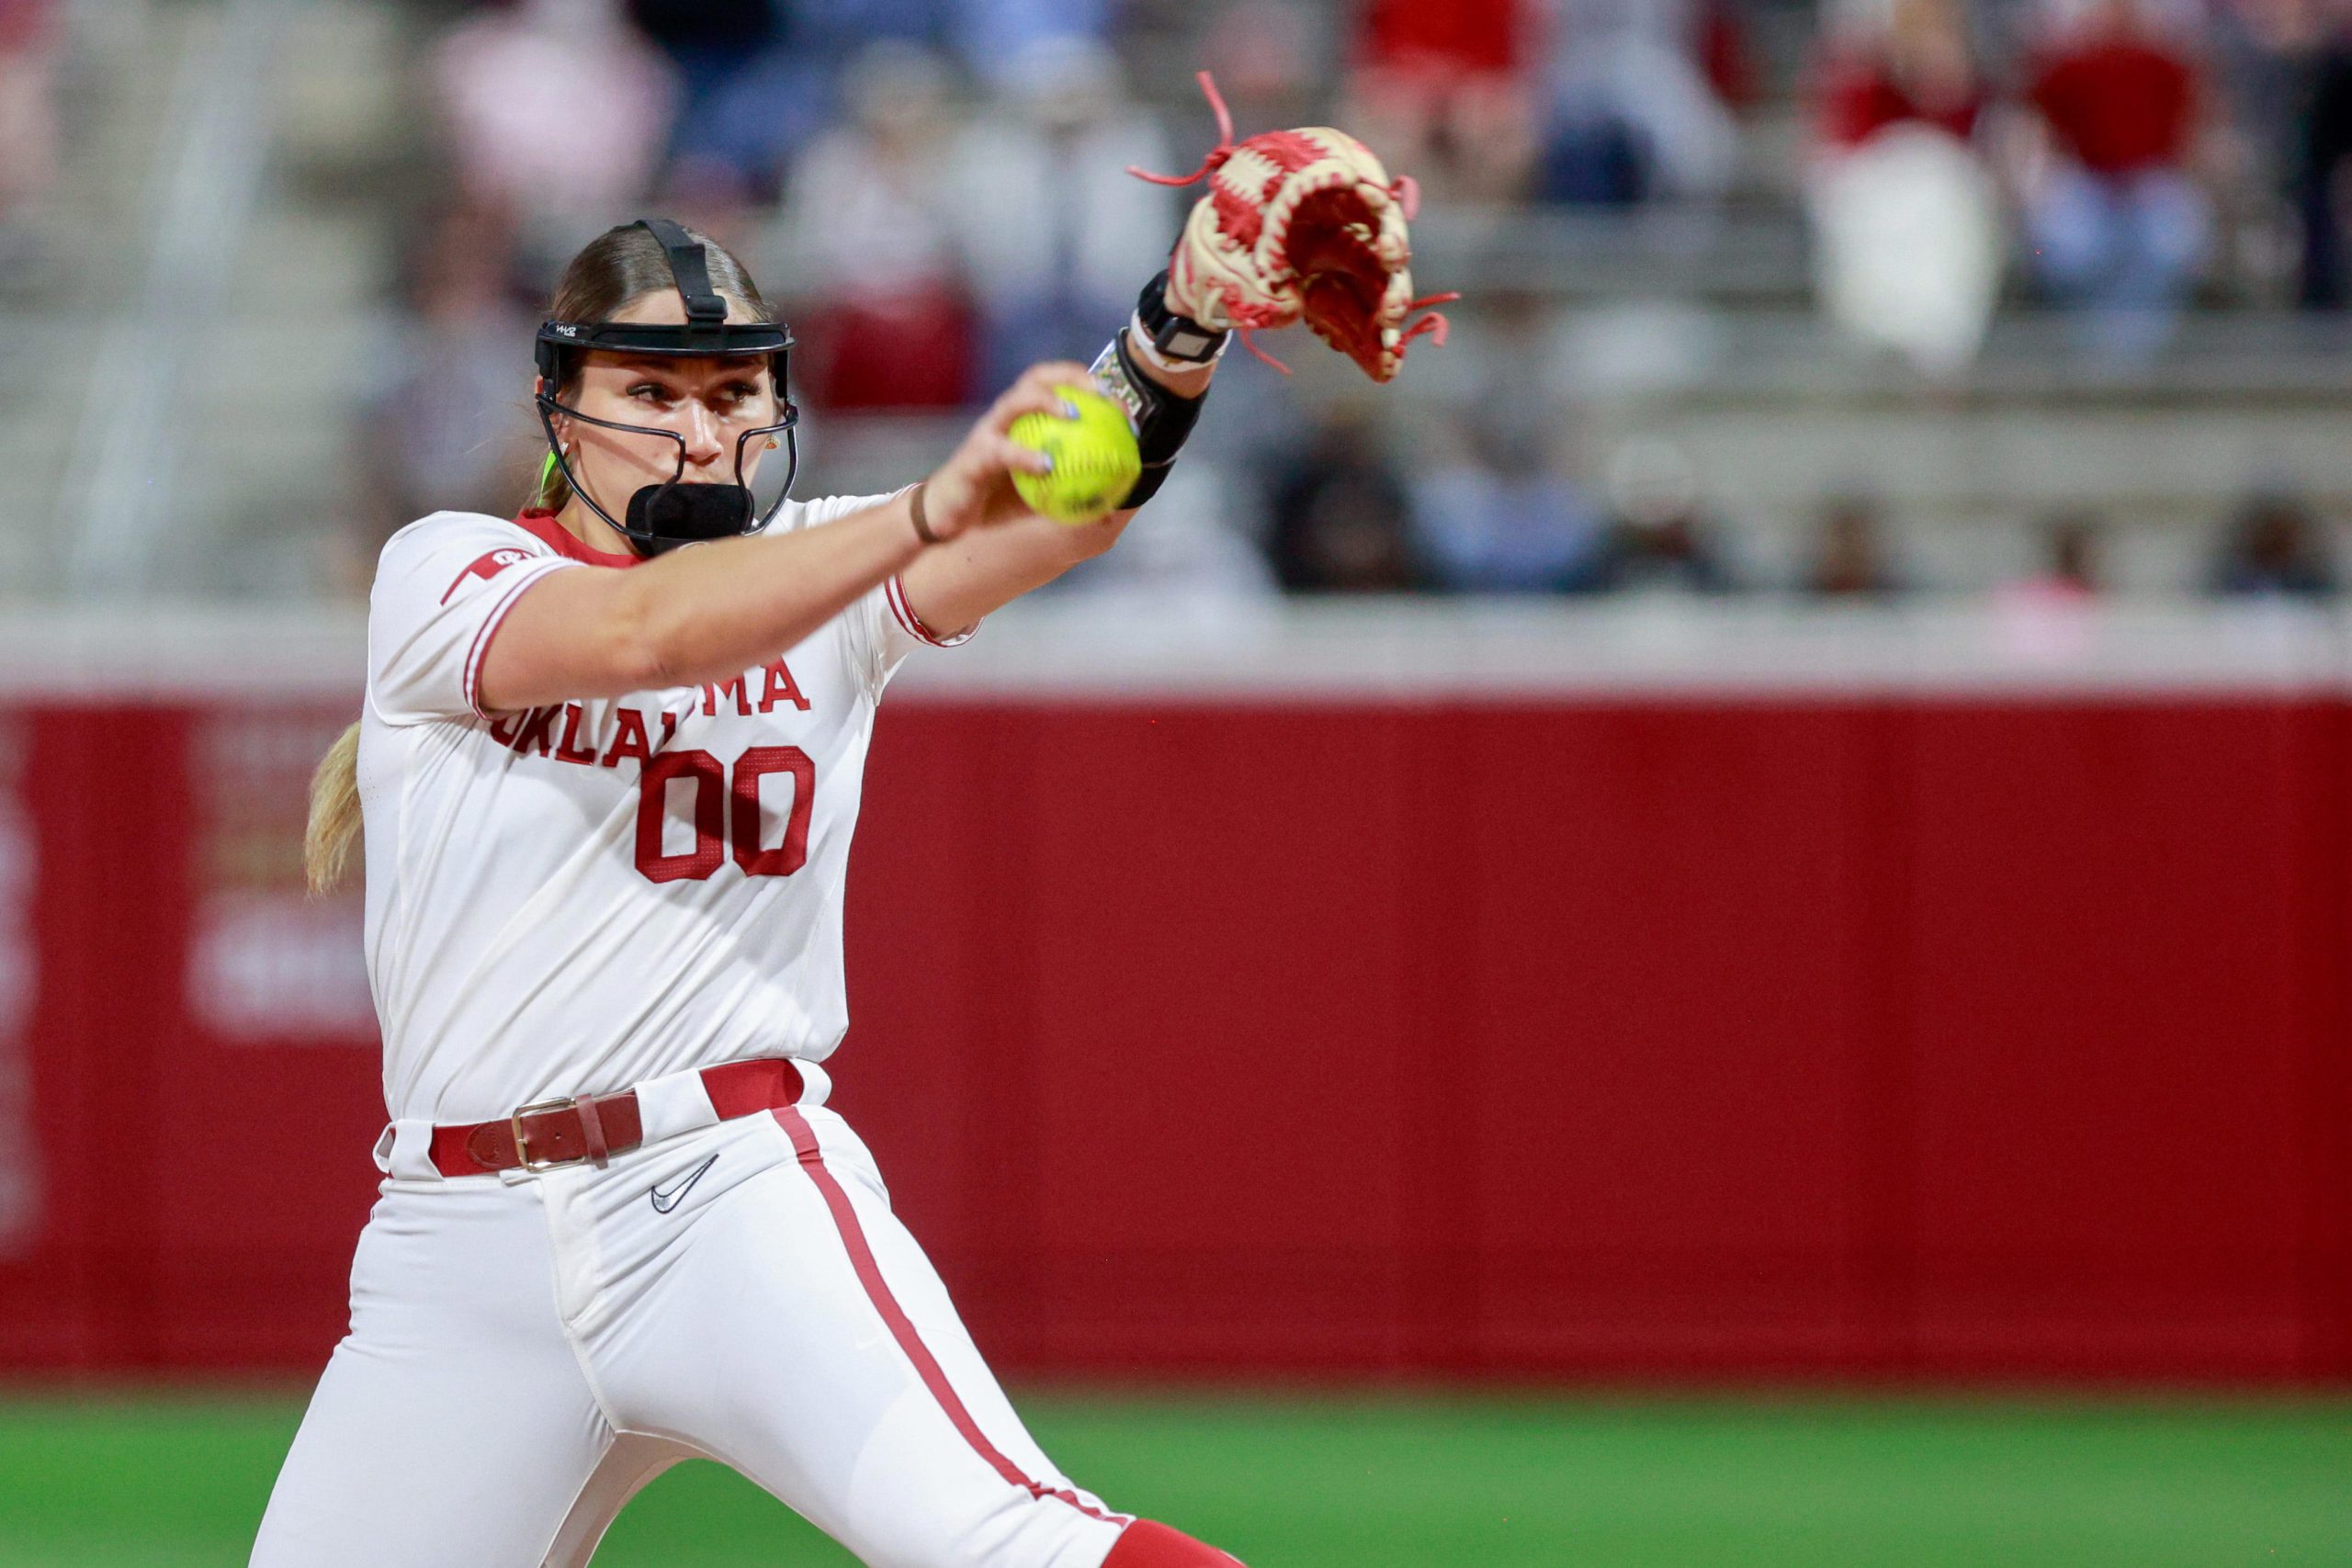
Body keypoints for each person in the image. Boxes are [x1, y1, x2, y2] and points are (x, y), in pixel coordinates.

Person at [252, 217, 1248, 1567]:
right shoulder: (448, 568)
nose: (700, 432)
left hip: (718, 1194)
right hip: (453, 1240)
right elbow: (643, 630)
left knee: (1005, 1541)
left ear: (779, 402)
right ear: (564, 405)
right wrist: (922, 510)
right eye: (648, 391)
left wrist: (1177, 328)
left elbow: (1074, 512)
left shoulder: (834, 568)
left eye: (732, 393)